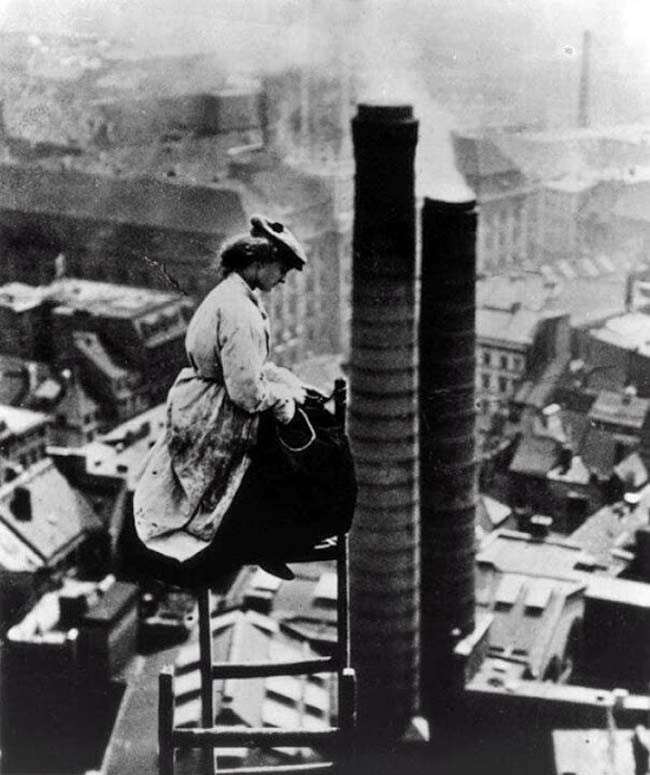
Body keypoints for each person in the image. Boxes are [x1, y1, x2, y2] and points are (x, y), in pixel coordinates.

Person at [132, 214, 309, 584]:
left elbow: (243, 367)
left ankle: (253, 543)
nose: (283, 279)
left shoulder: (229, 296)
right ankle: (266, 546)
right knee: (282, 464)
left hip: (204, 399)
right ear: (259, 263)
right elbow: (246, 394)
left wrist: (279, 379)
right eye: (281, 269)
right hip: (220, 410)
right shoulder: (240, 311)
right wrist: (283, 401)